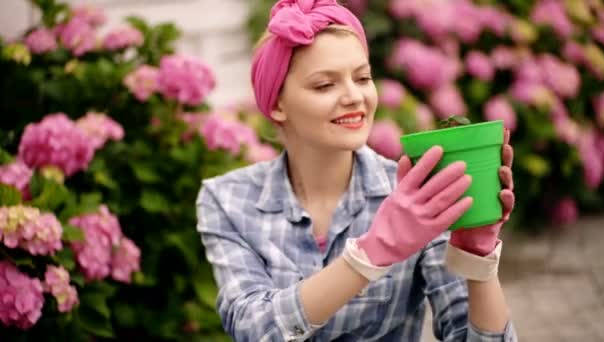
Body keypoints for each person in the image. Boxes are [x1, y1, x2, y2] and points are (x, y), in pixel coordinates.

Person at [196, 0, 517, 341]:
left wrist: (479, 262)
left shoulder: (414, 195)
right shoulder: (227, 199)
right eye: (325, 85)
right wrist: (371, 253)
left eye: (362, 78)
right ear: (277, 103)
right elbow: (253, 329)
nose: (354, 96)